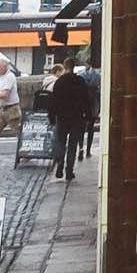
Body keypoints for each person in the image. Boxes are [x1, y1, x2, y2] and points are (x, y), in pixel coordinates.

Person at [45, 58, 96, 186]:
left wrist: (52, 117)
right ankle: (69, 171)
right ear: (74, 67)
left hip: (62, 117)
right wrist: (88, 116)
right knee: (73, 145)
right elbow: (86, 100)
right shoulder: (80, 81)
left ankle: (60, 163)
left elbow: (53, 101)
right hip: (76, 117)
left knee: (61, 142)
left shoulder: (59, 82)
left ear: (65, 67)